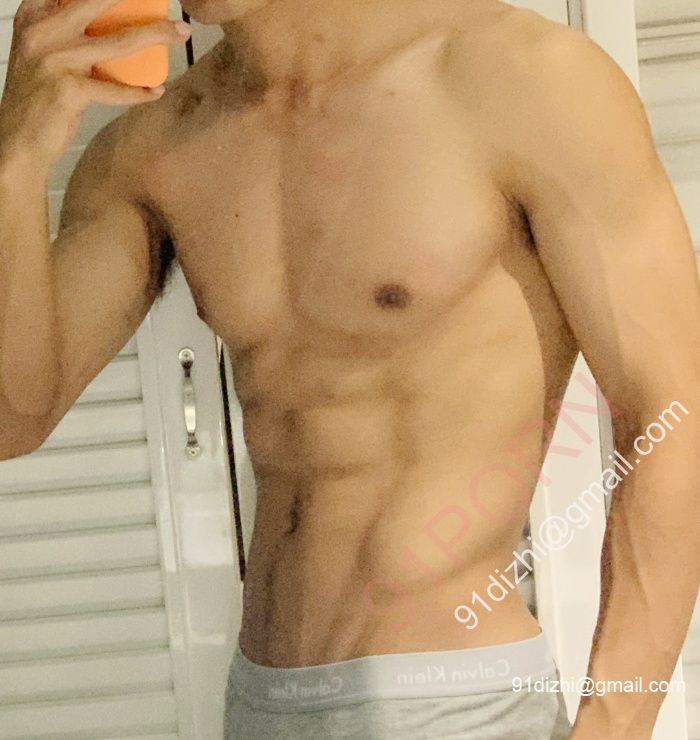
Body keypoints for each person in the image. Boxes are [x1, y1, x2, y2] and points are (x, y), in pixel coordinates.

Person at [1, 0, 699, 737]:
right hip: (261, 701)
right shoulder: (155, 143)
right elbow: (14, 419)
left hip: (455, 701)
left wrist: (617, 724)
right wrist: (14, 162)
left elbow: (672, 410)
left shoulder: (526, 82)